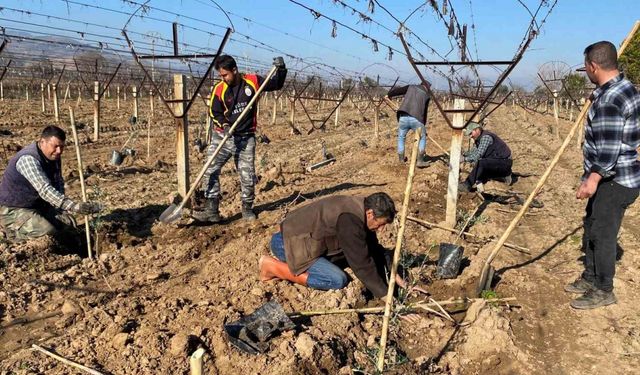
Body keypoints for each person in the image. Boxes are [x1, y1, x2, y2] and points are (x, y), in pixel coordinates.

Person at [566, 41, 640, 310]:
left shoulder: (610, 100)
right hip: (615, 175)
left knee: (603, 234)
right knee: (592, 225)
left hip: (614, 179)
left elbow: (608, 151)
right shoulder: (622, 88)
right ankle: (590, 276)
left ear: (593, 66)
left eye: (585, 67)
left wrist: (592, 179)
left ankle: (603, 289)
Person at [193, 55, 287, 223]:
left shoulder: (252, 81)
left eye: (225, 75)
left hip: (245, 138)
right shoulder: (219, 89)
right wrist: (225, 125)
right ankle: (211, 210)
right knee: (210, 169)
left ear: (234, 70)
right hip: (223, 136)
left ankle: (247, 209)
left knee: (247, 175)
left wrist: (281, 70)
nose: (223, 78)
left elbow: (276, 84)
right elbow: (214, 112)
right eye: (221, 76)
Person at [258, 192, 408, 298]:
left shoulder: (361, 209)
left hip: (306, 242)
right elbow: (362, 264)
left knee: (347, 260)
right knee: (336, 279)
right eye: (380, 224)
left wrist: (391, 271)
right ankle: (273, 268)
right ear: (370, 214)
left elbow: (371, 248)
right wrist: (386, 297)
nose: (381, 230)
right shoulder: (350, 221)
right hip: (288, 245)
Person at [0, 126, 102, 243]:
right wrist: (73, 206)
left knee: (69, 224)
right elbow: (45, 190)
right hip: (14, 209)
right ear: (42, 142)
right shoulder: (28, 159)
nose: (59, 151)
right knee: (47, 232)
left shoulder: (53, 156)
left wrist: (61, 209)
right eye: (55, 146)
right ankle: (12, 235)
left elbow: (58, 182)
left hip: (38, 206)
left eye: (62, 146)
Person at [459, 121, 512, 192]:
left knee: (481, 163)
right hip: (497, 162)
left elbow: (478, 155)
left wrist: (464, 159)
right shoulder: (478, 139)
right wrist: (464, 154)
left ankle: (466, 185)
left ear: (477, 130)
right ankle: (480, 191)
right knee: (479, 171)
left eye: (471, 133)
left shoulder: (486, 137)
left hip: (504, 163)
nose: (470, 136)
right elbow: (473, 152)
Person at [385, 84, 430, 167]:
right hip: (417, 119)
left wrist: (389, 94)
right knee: (422, 137)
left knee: (401, 138)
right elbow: (425, 112)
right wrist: (423, 125)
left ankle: (401, 160)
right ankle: (420, 161)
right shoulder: (427, 95)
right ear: (427, 87)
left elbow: (399, 90)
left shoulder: (411, 87)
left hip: (403, 117)